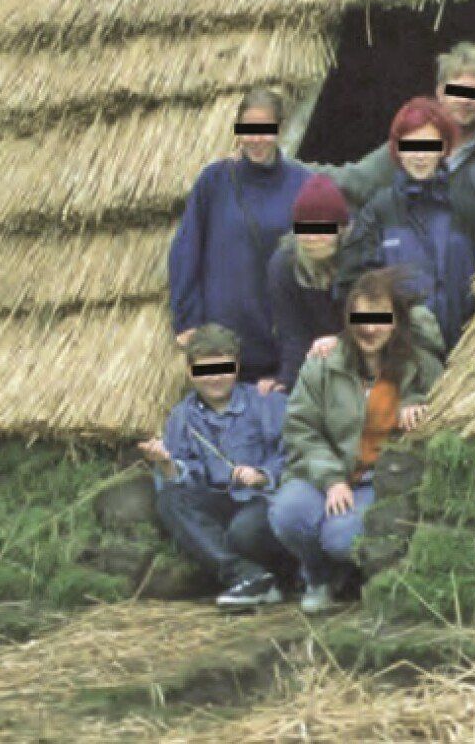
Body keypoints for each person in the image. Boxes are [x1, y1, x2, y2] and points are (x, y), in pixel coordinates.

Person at [269, 269, 441, 613]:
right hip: (321, 474)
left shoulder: (417, 367)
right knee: (288, 514)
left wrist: (417, 405)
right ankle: (318, 578)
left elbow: (440, 405)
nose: (370, 328)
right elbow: (300, 426)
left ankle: (346, 572)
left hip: (375, 481)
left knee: (340, 537)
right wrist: (332, 479)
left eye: (380, 318)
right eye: (361, 318)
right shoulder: (321, 365)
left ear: (396, 322)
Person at [138, 324, 292, 609]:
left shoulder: (267, 402)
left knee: (244, 531)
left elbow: (296, 453)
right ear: (190, 372)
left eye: (223, 368)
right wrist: (168, 465)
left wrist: (263, 475)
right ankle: (248, 576)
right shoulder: (181, 417)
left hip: (261, 502)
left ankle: (281, 578)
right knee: (170, 500)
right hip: (218, 504)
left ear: (236, 366)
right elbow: (184, 482)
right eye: (205, 371)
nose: (215, 379)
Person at [166, 87, 309, 387]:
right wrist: (186, 319)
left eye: (265, 129)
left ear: (280, 129)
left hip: (278, 340)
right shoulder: (214, 182)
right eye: (248, 129)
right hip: (223, 342)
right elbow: (186, 248)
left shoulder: (302, 184)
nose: (256, 139)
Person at [337, 97, 475, 354]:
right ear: (397, 150)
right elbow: (351, 286)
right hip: (399, 357)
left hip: (464, 355)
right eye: (410, 145)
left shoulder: (468, 206)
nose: (419, 155)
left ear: (444, 149)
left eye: (428, 145)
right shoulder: (379, 211)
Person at [269, 174, 448, 389]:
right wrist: (287, 383)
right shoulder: (285, 264)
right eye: (305, 229)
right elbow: (292, 333)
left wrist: (343, 340)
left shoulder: (364, 254)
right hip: (320, 356)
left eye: (322, 229)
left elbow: (382, 320)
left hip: (376, 346)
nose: (313, 237)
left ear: (341, 228)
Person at [313, 42, 475, 223]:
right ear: (440, 92)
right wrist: (290, 167)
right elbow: (356, 181)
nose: (465, 101)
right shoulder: (416, 137)